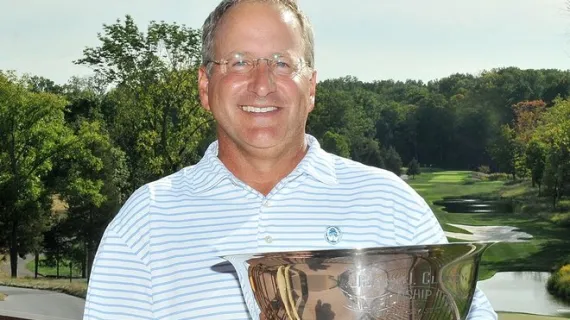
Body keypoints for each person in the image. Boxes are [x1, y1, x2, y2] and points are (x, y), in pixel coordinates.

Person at [82, 0, 498, 319]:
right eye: (239, 62)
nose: (262, 85)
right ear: (205, 86)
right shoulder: (147, 219)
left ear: (311, 86)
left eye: (283, 63)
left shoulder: (389, 203)